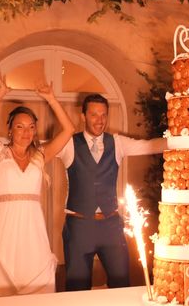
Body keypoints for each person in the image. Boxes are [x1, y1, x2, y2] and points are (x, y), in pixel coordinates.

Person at [0, 72, 75, 298]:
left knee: (34, 282)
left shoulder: (40, 155)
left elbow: (68, 130)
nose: (26, 133)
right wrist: (2, 92)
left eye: (31, 127)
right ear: (10, 130)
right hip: (4, 226)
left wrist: (52, 98)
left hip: (32, 230)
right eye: (20, 127)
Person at [57, 93, 166, 291]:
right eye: (94, 115)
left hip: (111, 225)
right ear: (83, 116)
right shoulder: (68, 144)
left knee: (121, 283)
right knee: (77, 288)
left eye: (104, 115)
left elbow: (149, 146)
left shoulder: (117, 143)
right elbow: (36, 151)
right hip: (79, 226)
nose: (100, 121)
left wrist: (187, 139)